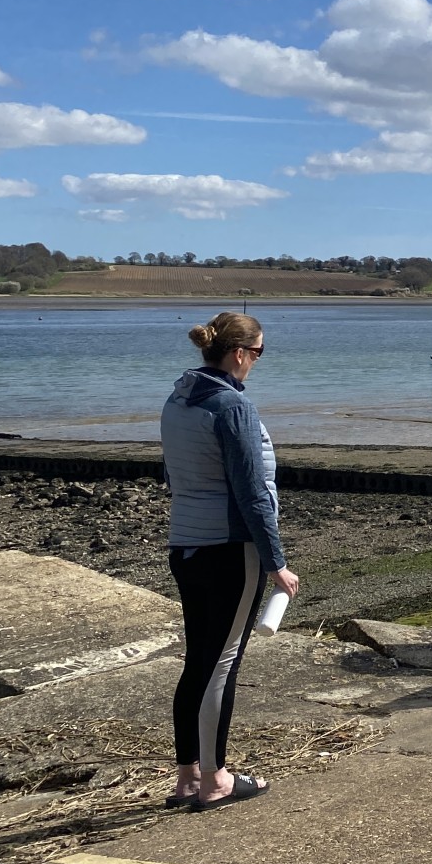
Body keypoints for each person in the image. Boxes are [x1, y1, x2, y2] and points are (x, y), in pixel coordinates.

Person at [161, 313, 299, 810]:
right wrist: (275, 561)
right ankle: (217, 779)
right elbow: (252, 494)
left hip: (187, 546)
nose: (258, 362)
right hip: (228, 551)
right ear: (240, 354)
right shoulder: (232, 406)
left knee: (198, 660)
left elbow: (175, 475)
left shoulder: (179, 399)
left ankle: (187, 777)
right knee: (220, 665)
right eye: (259, 353)